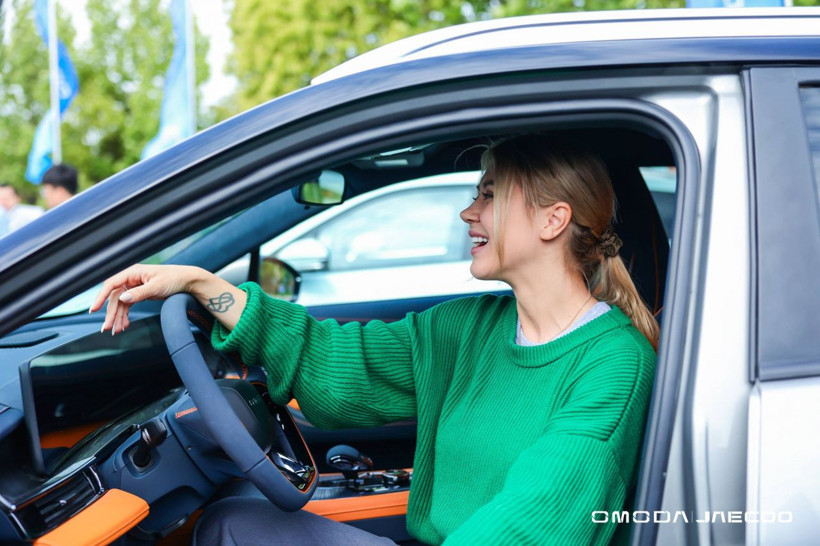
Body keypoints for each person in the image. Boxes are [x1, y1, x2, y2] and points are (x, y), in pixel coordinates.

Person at [91, 135, 658, 545]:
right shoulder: (466, 329)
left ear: (552, 220)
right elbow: (339, 364)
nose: (468, 212)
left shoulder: (613, 362)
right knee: (231, 523)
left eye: (488, 196)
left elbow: (536, 517)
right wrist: (200, 283)